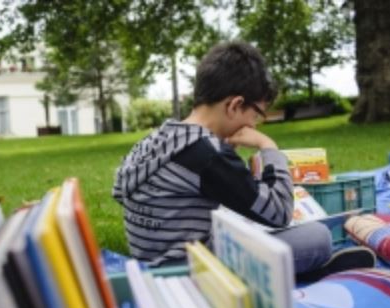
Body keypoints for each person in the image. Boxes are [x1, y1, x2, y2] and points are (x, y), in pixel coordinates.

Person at [112, 41, 375, 281]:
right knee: (317, 238)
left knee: (243, 221)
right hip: (190, 274)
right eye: (257, 114)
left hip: (151, 263)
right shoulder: (207, 153)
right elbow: (280, 213)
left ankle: (297, 270)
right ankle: (306, 271)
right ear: (235, 105)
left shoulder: (158, 139)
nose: (253, 125)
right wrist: (269, 147)